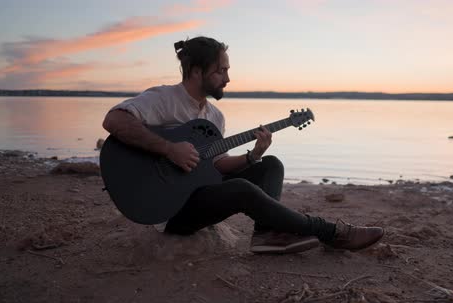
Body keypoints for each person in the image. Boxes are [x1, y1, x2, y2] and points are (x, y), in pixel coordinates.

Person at [102, 36, 384, 254]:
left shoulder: (214, 116)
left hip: (201, 195)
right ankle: (331, 232)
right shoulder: (163, 99)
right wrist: (169, 149)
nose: (227, 78)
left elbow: (218, 164)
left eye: (227, 70)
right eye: (220, 70)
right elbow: (114, 120)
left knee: (270, 165)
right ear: (197, 71)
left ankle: (265, 235)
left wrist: (253, 155)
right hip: (169, 209)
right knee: (240, 190)